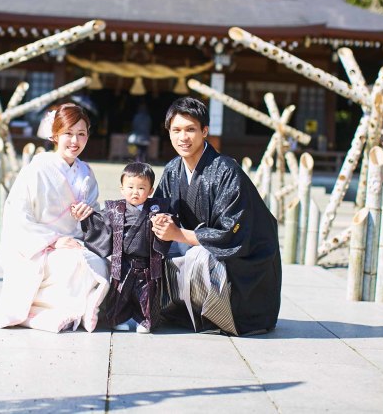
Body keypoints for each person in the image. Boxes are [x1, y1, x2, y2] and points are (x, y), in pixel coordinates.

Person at [0, 103, 109, 332]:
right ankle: (45, 313)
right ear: (55, 135)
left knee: (98, 262)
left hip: (74, 240)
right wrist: (54, 240)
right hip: (38, 245)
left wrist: (87, 215)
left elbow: (95, 212)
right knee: (72, 263)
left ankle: (81, 311)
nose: (74, 141)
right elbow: (17, 215)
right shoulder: (38, 168)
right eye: (68, 134)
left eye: (81, 134)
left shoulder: (86, 173)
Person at [151, 97, 282, 336]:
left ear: (205, 131)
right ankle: (176, 310)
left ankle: (214, 316)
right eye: (177, 130)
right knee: (154, 247)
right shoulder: (172, 170)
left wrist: (179, 234)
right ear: (168, 132)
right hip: (195, 244)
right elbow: (161, 208)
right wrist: (160, 222)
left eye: (191, 129)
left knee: (202, 257)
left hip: (244, 261)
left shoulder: (226, 171)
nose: (183, 137)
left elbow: (230, 234)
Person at [81, 162, 171, 333]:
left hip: (146, 262)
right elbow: (99, 224)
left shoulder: (157, 209)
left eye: (141, 188)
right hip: (123, 262)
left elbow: (169, 226)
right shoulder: (115, 209)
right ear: (121, 188)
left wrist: (163, 223)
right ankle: (116, 319)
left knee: (145, 294)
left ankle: (145, 321)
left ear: (151, 190)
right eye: (130, 187)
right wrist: (86, 218)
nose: (135, 192)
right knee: (120, 292)